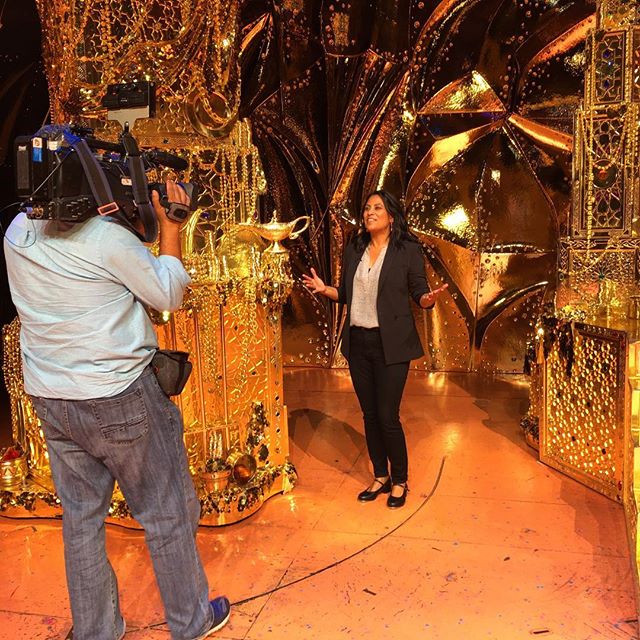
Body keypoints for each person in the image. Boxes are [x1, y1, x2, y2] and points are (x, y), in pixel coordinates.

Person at [4, 180, 230, 640]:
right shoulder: (108, 240)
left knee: (81, 519)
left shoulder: (16, 231)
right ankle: (191, 621)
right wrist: (171, 226)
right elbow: (167, 295)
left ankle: (97, 630)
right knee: (165, 511)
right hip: (118, 396)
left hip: (54, 398)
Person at [303, 190, 447, 508]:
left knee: (387, 415)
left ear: (391, 216)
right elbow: (347, 293)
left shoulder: (406, 248)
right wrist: (325, 289)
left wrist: (428, 299)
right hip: (359, 343)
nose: (369, 212)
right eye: (366, 208)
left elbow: (419, 289)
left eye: (377, 208)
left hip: (390, 344)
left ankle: (400, 480)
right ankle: (380, 475)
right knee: (369, 415)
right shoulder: (356, 247)